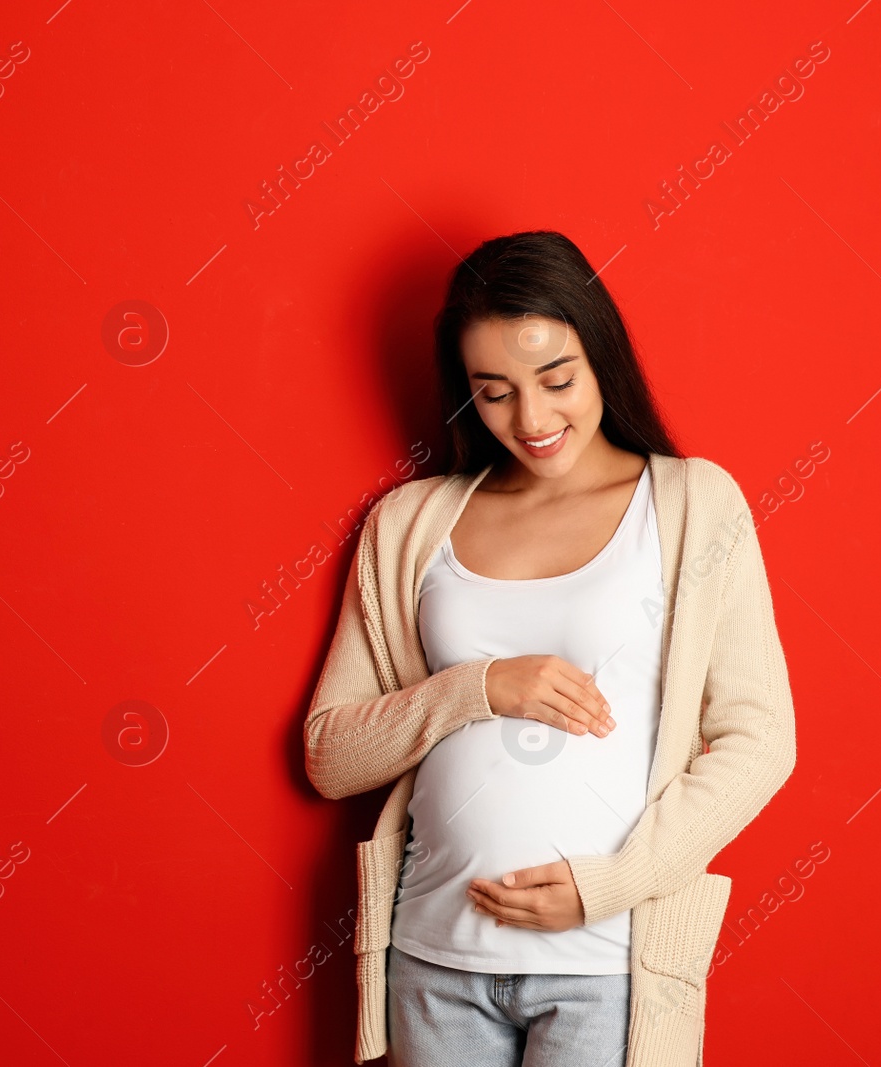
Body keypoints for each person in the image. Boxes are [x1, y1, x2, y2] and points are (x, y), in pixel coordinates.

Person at [303, 231, 798, 1067]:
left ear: (600, 354)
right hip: (432, 958)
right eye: (493, 392)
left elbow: (761, 739)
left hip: (609, 969)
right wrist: (480, 686)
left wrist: (609, 885)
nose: (531, 420)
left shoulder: (692, 506)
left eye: (557, 380)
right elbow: (331, 755)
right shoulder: (411, 524)